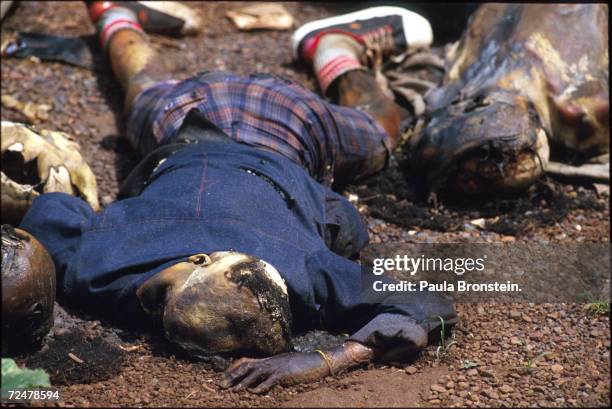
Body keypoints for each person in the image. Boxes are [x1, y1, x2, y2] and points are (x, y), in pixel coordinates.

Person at [17, 3, 456, 393]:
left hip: (285, 122)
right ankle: (117, 16)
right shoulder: (101, 266)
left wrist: (328, 356)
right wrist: (326, 360)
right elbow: (51, 212)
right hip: (181, 118)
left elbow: (405, 287)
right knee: (141, 88)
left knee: (378, 131)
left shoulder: (305, 272)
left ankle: (333, 49)